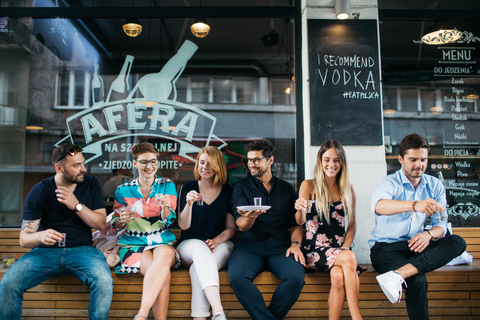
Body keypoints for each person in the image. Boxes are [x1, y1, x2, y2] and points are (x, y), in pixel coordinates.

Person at [0, 143, 113, 320]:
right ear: (59, 168)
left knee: (104, 281)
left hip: (83, 251)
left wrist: (76, 205)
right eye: (76, 165)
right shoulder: (41, 190)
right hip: (45, 252)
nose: (83, 169)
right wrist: (40, 236)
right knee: (9, 282)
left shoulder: (91, 184)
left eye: (82, 163)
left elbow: (100, 224)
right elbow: (24, 239)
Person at [370, 133, 466, 320]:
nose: (419, 164)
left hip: (417, 245)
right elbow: (379, 206)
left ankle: (398, 275)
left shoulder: (435, 185)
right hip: (386, 249)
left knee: (457, 242)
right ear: (401, 159)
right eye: (413, 159)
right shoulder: (389, 182)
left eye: (423, 159)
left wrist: (428, 235)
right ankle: (404, 274)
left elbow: (441, 225)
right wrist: (415, 205)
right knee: (417, 280)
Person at [228, 139, 305, 320]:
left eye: (256, 160)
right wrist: (250, 218)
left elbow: (296, 225)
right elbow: (240, 223)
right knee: (237, 277)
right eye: (249, 160)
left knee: (295, 278)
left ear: (270, 160)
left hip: (280, 247)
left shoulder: (286, 189)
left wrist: (295, 244)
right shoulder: (241, 188)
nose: (251, 164)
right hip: (249, 246)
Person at [295, 140, 363, 320]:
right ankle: (357, 318)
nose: (331, 165)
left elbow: (352, 225)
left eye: (336, 160)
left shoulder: (348, 189)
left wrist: (345, 248)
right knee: (349, 259)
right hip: (314, 251)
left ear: (342, 163)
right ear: (320, 161)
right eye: (327, 159)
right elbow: (300, 222)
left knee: (339, 277)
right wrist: (300, 209)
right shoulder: (308, 185)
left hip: (340, 252)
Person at [112, 142, 180, 320]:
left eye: (153, 161)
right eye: (144, 162)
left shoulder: (167, 185)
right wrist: (120, 220)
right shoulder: (123, 190)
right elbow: (115, 222)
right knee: (161, 274)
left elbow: (170, 219)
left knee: (164, 256)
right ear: (135, 164)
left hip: (162, 242)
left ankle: (141, 314)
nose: (149, 166)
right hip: (133, 244)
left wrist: (165, 207)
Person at [177, 146, 236, 320]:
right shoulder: (188, 187)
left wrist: (217, 240)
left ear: (218, 166)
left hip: (220, 245)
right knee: (199, 247)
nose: (204, 167)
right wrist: (188, 205)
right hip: (189, 245)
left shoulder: (227, 191)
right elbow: (183, 226)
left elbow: (231, 228)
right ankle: (218, 311)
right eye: (202, 163)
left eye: (210, 164)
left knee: (198, 270)